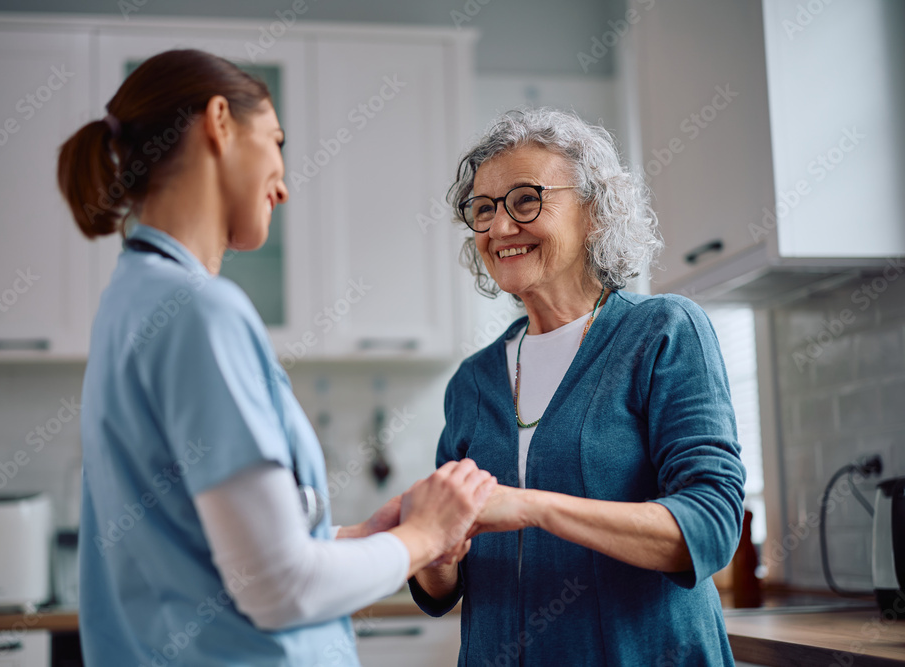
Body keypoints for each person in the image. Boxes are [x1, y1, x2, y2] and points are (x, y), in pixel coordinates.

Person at [55, 49, 495, 666]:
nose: (284, 185)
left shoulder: (129, 299)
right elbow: (278, 588)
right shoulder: (199, 312)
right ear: (219, 122)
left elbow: (218, 560)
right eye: (277, 140)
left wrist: (367, 540)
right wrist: (424, 538)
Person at [409, 108, 747, 666]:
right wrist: (437, 555)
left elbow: (708, 526)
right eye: (484, 209)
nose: (498, 229)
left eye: (525, 200)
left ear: (595, 214)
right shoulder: (471, 381)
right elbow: (443, 589)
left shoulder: (662, 332)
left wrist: (533, 507)